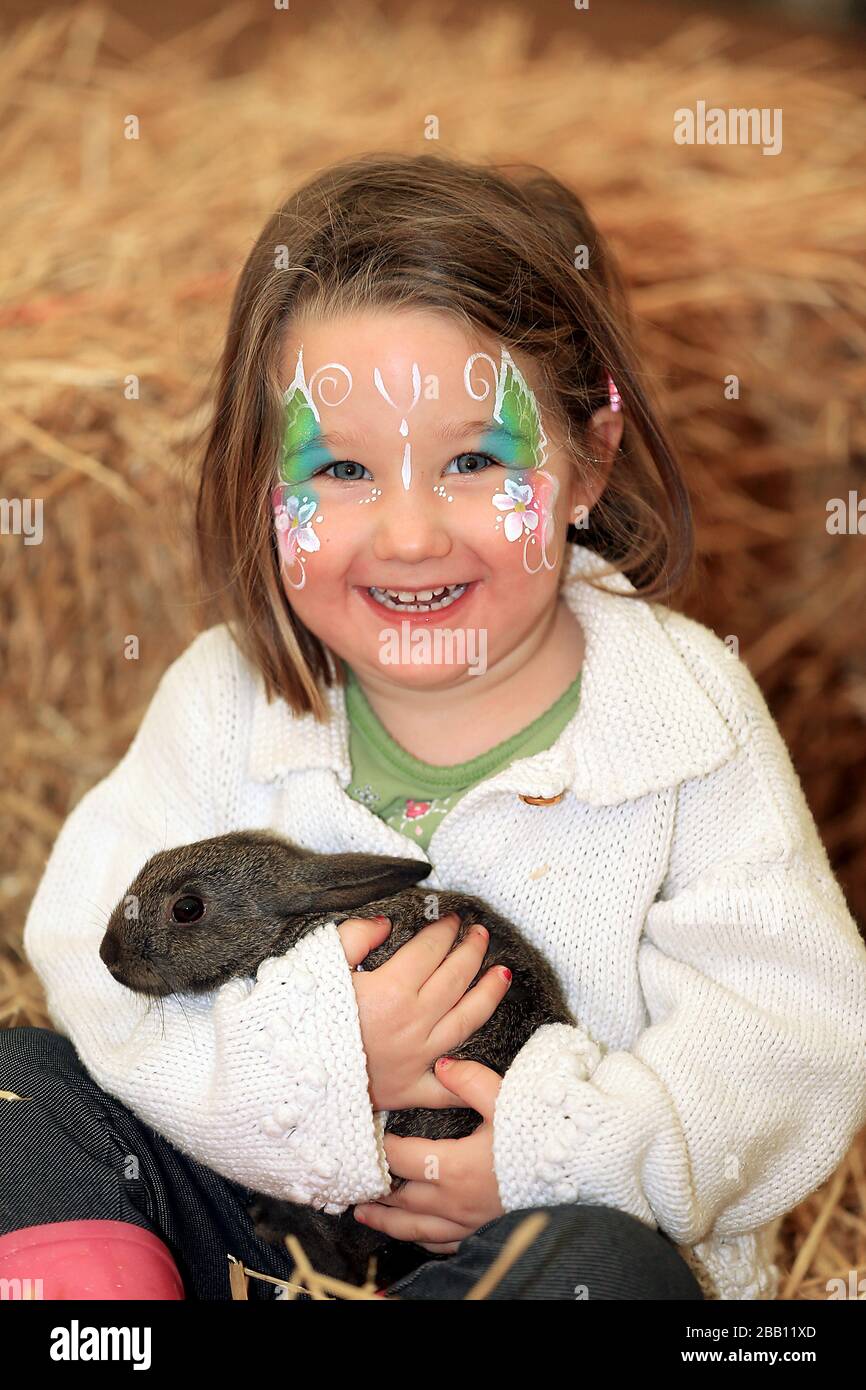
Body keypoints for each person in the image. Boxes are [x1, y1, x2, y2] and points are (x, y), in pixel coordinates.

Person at [3, 153, 864, 1302]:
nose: (407, 534)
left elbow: (784, 1030)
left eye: (472, 460)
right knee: (19, 1091)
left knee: (596, 1272)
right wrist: (317, 1060)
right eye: (342, 468)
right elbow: (92, 951)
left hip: (523, 1238)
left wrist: (553, 1156)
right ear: (262, 481)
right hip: (258, 1231)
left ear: (586, 457)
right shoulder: (228, 696)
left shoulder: (680, 717)